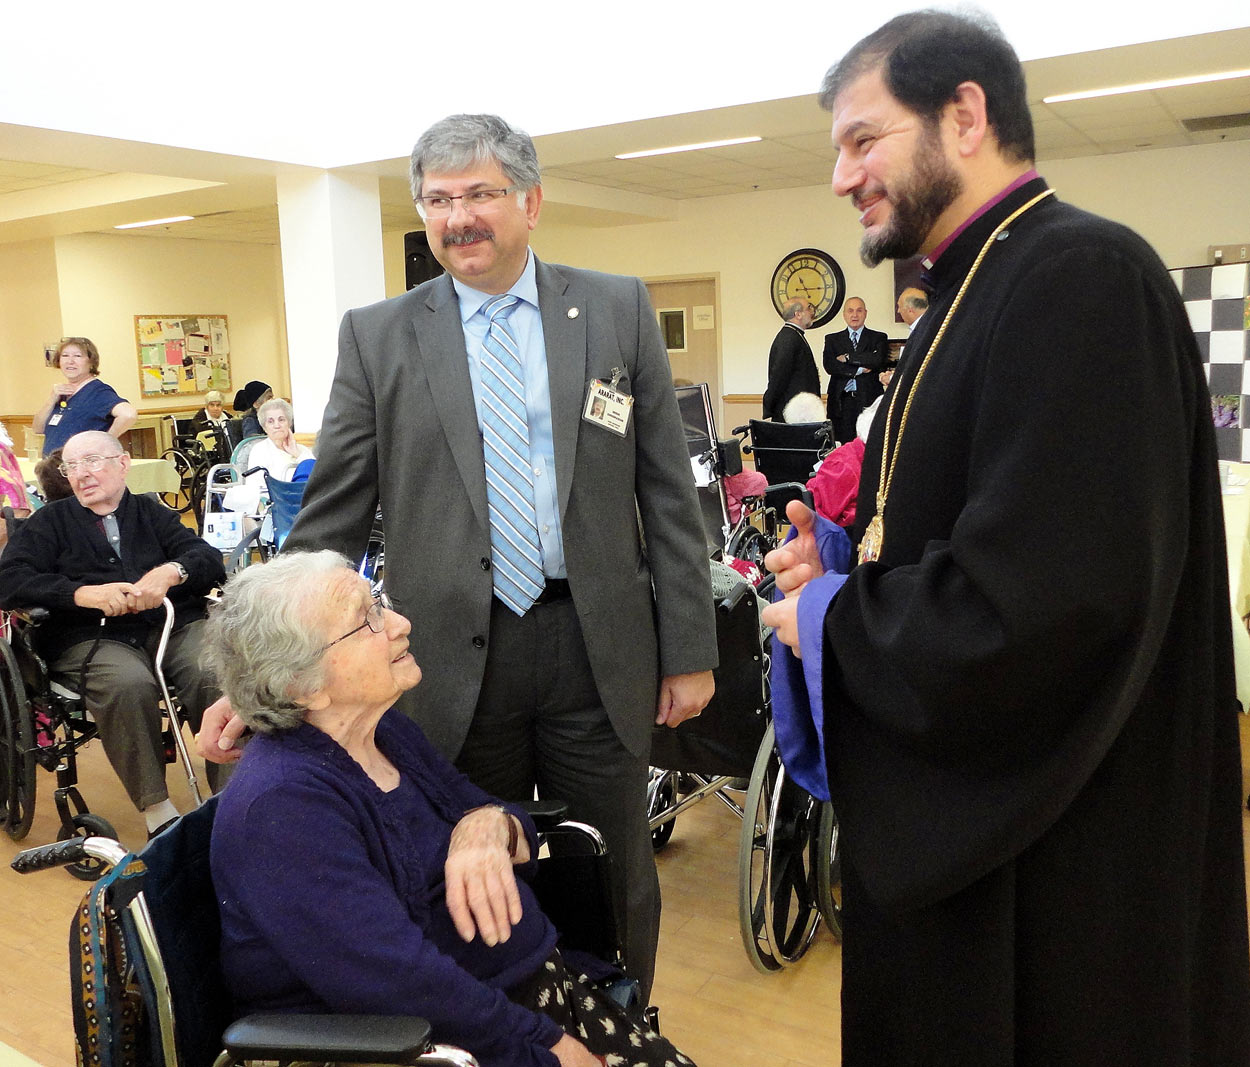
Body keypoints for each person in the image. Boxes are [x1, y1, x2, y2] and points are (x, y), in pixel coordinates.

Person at [762, 11, 1250, 1066]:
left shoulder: (1080, 275)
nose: (840, 176)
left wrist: (831, 617)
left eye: (860, 138)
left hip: (1058, 853)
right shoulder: (964, 289)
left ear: (965, 114)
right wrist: (844, 569)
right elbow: (964, 529)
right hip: (989, 828)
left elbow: (1046, 600)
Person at [198, 113, 717, 999]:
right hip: (438, 659)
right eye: (437, 200)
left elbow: (668, 493)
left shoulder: (616, 307)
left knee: (613, 868)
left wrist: (692, 648)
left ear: (531, 201)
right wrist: (259, 673)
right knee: (472, 871)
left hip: (599, 650)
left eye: (479, 193)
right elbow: (329, 517)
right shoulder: (380, 334)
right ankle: (521, 1031)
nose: (458, 217)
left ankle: (623, 1021)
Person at [206, 551, 696, 1067]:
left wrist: (488, 825)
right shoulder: (283, 808)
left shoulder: (382, 732)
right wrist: (546, 1045)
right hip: (442, 1043)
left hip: (523, 994)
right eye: (365, 621)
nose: (398, 623)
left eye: (380, 602)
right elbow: (395, 982)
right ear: (303, 686)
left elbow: (502, 822)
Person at [0, 431, 227, 836]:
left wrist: (170, 573)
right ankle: (158, 810)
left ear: (122, 464)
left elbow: (207, 558)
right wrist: (80, 594)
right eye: (71, 467)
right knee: (128, 684)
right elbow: (10, 580)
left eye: (92, 462)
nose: (81, 474)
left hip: (168, 625)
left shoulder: (151, 513)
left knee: (215, 669)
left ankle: (235, 799)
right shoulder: (50, 522)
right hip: (91, 637)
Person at [33, 337, 137, 456]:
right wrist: (51, 400)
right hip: (54, 466)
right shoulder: (62, 394)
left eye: (77, 356)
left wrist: (104, 442)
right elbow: (38, 429)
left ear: (91, 362)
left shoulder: (98, 391)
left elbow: (129, 415)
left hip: (80, 467)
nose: (70, 361)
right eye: (65, 356)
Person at [821, 298, 888, 444]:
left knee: (869, 445)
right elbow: (830, 366)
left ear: (865, 313)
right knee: (843, 446)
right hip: (841, 402)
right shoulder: (832, 339)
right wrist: (858, 369)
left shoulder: (878, 338)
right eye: (850, 311)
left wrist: (847, 357)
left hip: (868, 401)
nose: (855, 315)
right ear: (844, 314)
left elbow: (876, 360)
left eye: (859, 310)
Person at [762, 299, 818, 421]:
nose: (811, 312)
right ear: (798, 314)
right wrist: (769, 405)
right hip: (791, 413)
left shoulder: (793, 335)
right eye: (808, 308)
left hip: (798, 411)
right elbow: (779, 376)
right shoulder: (789, 338)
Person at [244, 398, 313, 484]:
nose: (277, 425)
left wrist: (297, 454)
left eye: (281, 420)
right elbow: (256, 486)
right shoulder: (259, 451)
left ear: (289, 423)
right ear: (264, 427)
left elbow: (316, 477)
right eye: (270, 421)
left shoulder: (302, 450)